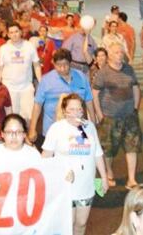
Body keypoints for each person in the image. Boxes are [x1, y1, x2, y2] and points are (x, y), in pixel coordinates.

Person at [42, 93, 109, 235]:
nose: (76, 113)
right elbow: (45, 158)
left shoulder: (89, 126)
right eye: (71, 109)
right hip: (66, 186)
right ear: (64, 111)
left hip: (86, 185)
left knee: (82, 223)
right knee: (68, 224)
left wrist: (104, 177)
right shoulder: (56, 129)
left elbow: (97, 153)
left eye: (79, 109)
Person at [93, 43, 142, 189]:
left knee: (132, 147)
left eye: (121, 52)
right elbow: (95, 94)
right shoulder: (103, 73)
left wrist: (135, 108)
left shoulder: (129, 69)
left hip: (129, 115)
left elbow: (135, 88)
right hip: (109, 117)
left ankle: (131, 179)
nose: (120, 55)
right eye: (116, 52)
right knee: (108, 149)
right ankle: (109, 172)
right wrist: (99, 114)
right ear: (109, 55)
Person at [29, 49, 94, 142]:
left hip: (76, 129)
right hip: (51, 128)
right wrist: (32, 129)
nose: (62, 68)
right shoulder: (46, 80)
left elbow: (89, 100)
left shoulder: (81, 77)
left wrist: (93, 124)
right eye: (59, 65)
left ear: (70, 63)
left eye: (65, 65)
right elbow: (37, 104)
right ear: (54, 64)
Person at [0, 23, 42, 122]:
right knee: (11, 117)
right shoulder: (3, 49)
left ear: (21, 32)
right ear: (8, 34)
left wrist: (41, 82)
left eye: (16, 31)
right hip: (9, 87)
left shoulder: (30, 46)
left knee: (28, 117)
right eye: (11, 32)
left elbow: (36, 65)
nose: (14, 34)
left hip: (26, 87)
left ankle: (28, 132)